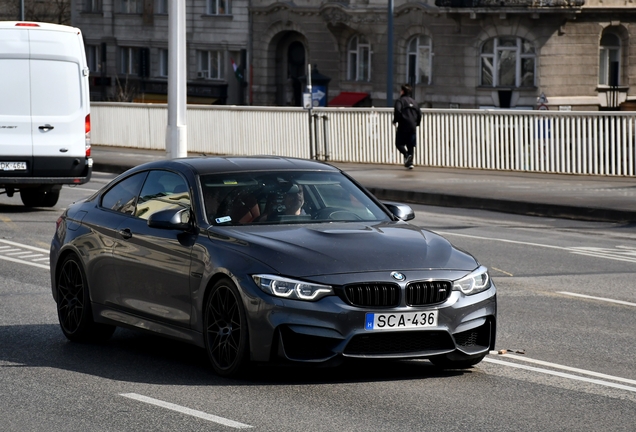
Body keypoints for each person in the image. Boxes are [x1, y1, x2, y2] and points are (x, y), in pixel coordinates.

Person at [392, 84, 422, 169]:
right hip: (413, 126)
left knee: (399, 143)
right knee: (410, 145)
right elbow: (419, 114)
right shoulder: (414, 102)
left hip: (403, 125)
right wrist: (417, 123)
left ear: (403, 91)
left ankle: (406, 155)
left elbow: (397, 111)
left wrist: (395, 120)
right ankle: (410, 163)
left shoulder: (400, 101)